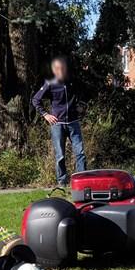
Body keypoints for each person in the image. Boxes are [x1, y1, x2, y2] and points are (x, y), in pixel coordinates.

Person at [32, 56, 87, 186]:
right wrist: (45, 114)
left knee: (80, 153)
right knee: (60, 155)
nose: (60, 70)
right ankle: (62, 182)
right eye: (57, 68)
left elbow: (84, 95)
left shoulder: (73, 82)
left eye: (62, 68)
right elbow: (35, 100)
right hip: (58, 124)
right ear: (54, 70)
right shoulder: (50, 84)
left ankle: (82, 180)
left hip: (73, 122)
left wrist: (82, 107)